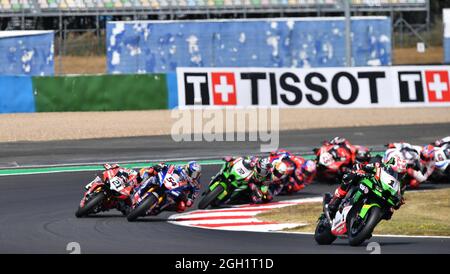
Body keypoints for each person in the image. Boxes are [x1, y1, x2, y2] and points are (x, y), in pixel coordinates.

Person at [326, 157, 406, 218]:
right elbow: (359, 166)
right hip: (369, 184)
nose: (397, 175)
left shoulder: (400, 185)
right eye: (395, 172)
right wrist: (360, 171)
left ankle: (366, 225)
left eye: (400, 174)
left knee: (388, 213)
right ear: (389, 166)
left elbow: (397, 202)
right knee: (350, 177)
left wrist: (399, 202)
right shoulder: (380, 166)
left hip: (382, 195)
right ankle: (336, 200)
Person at [137, 161, 201, 212]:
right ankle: (138, 187)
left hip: (177, 193)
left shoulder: (195, 184)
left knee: (182, 207)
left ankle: (160, 208)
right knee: (150, 171)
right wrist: (160, 166)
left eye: (196, 174)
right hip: (165, 181)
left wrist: (188, 200)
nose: (195, 176)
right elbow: (167, 166)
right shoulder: (179, 168)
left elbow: (192, 198)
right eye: (194, 173)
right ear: (188, 169)